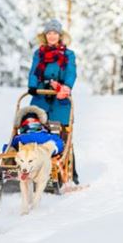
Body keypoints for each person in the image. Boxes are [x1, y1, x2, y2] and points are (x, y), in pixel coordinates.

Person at [27, 18, 79, 184]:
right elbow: (34, 71)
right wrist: (32, 86)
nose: (51, 36)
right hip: (41, 96)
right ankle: (31, 165)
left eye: (54, 33)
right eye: (49, 33)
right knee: (32, 128)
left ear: (60, 35)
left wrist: (66, 87)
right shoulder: (39, 53)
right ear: (45, 35)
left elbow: (71, 73)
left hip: (60, 99)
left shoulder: (68, 54)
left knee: (60, 133)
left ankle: (65, 171)